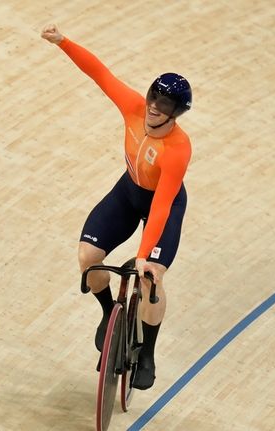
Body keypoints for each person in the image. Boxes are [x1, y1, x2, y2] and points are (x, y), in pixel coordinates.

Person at [41, 24, 192, 390]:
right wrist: (63, 42)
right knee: (87, 256)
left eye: (165, 105)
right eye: (154, 97)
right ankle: (109, 315)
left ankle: (149, 355)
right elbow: (100, 73)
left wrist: (143, 255)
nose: (155, 107)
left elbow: (160, 208)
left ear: (177, 113)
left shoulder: (178, 149)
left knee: (151, 277)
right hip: (128, 193)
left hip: (163, 204)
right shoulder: (134, 108)